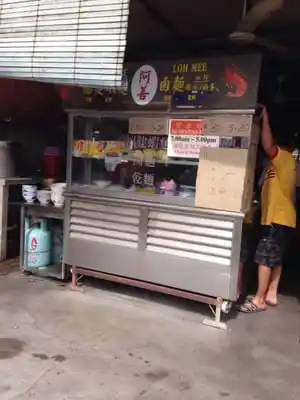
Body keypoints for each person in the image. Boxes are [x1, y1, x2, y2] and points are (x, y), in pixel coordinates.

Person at [239, 106, 296, 313]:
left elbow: (267, 144)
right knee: (275, 257)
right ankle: (271, 293)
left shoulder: (284, 158)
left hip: (278, 219)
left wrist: (265, 118)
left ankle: (259, 300)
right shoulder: (280, 164)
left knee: (264, 258)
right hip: (283, 219)